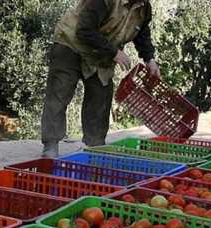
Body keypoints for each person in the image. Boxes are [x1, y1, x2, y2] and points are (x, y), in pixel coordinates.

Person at [40, 0, 160, 158]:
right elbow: (84, 30)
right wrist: (115, 53)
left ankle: (95, 145)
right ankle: (50, 144)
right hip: (71, 44)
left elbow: (142, 34)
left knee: (101, 96)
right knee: (59, 94)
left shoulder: (144, 8)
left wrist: (149, 59)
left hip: (100, 54)